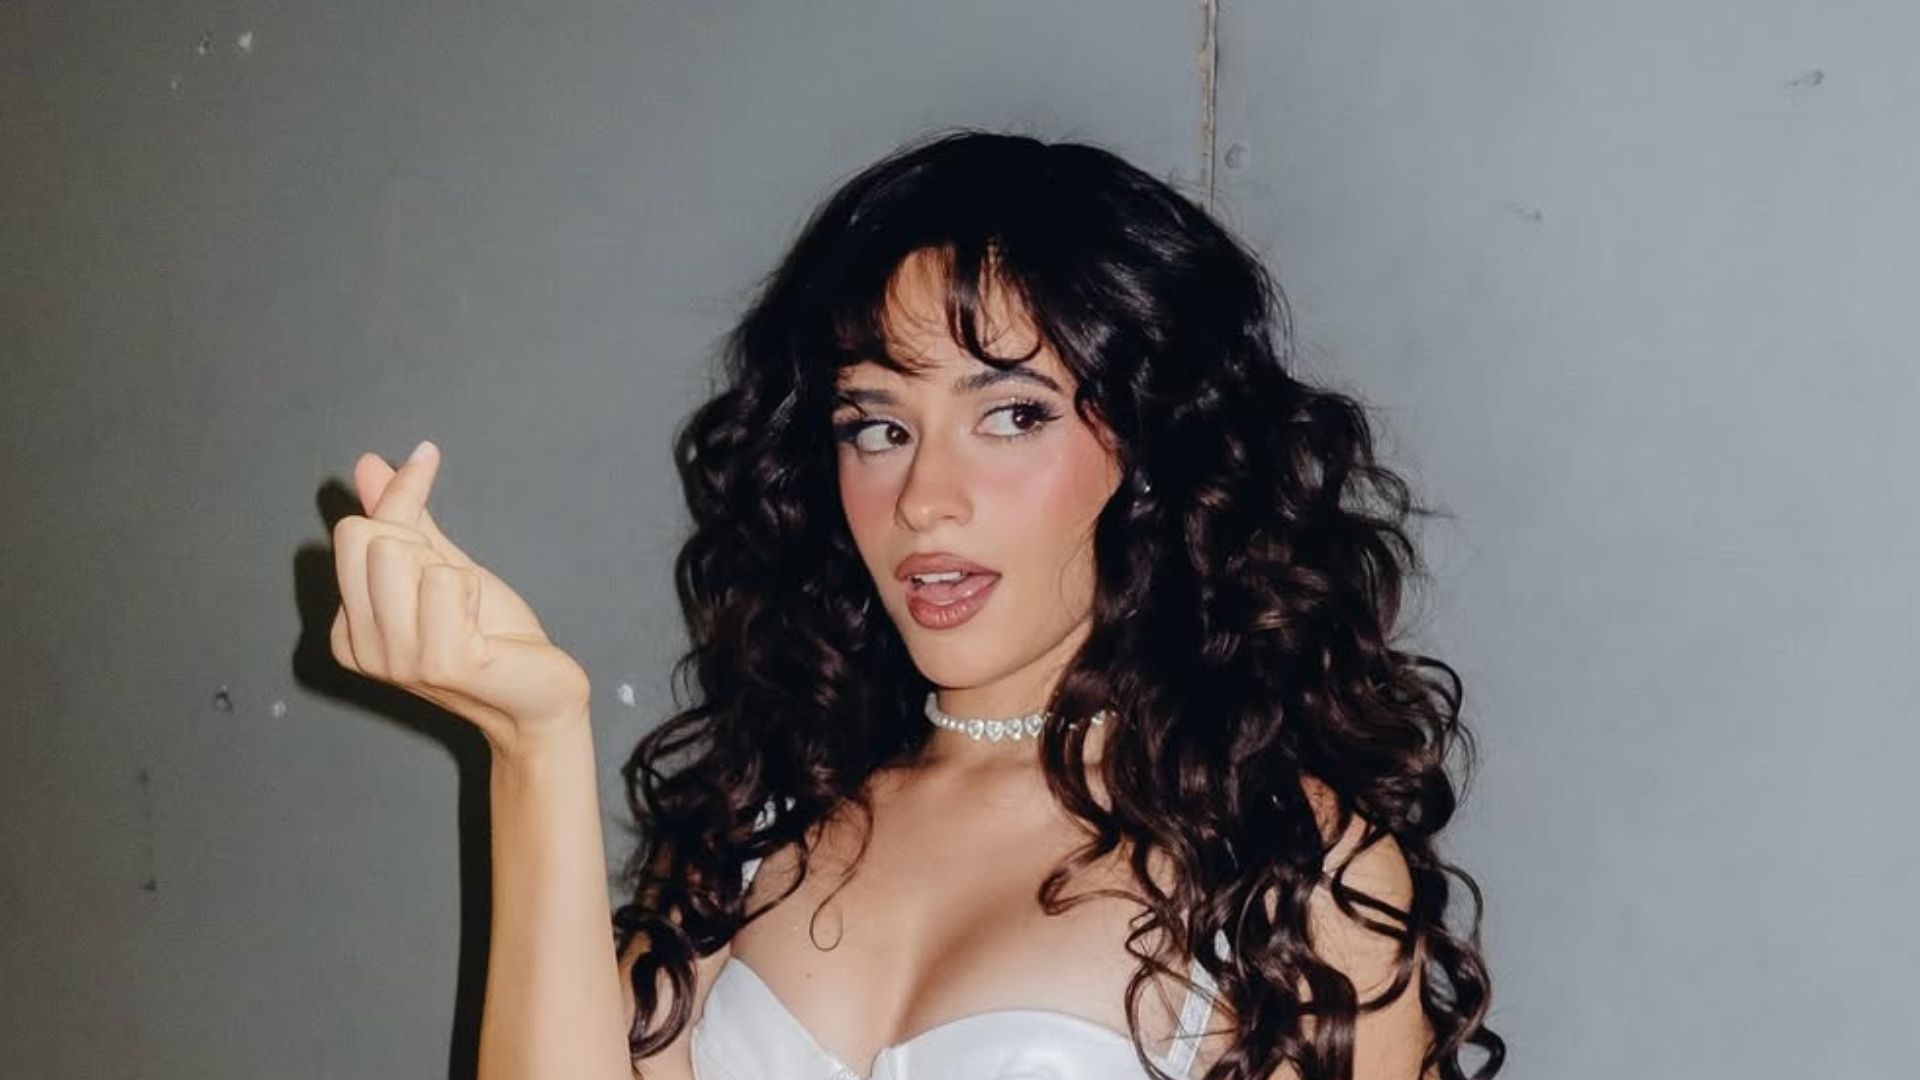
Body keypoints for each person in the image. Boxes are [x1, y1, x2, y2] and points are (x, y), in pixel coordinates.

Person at [329, 130, 1505, 1080]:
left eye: (1012, 416)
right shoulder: (763, 827)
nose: (924, 498)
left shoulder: (1286, 866)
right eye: (878, 426)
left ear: (1152, 452)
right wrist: (531, 740)